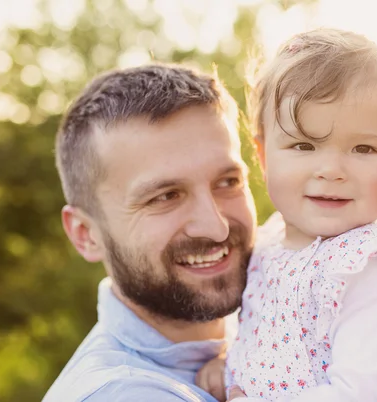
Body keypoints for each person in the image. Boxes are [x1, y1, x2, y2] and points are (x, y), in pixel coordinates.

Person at [197, 28, 377, 401]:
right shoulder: (271, 240)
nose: (332, 170)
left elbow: (368, 394)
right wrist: (228, 364)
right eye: (304, 144)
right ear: (263, 156)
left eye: (364, 148)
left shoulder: (372, 268)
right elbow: (271, 340)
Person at [43, 64, 257, 402]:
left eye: (228, 182)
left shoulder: (270, 322)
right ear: (85, 234)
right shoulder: (120, 394)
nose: (216, 227)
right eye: (165, 196)